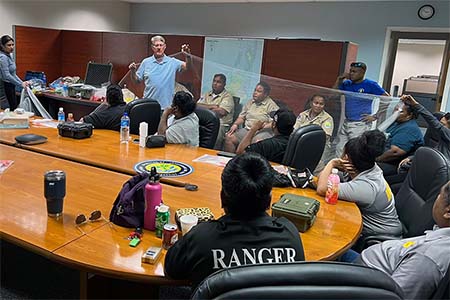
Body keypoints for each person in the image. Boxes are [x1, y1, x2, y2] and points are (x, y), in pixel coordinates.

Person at [164, 152, 305, 287]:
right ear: (269, 199)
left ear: (223, 197)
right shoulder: (289, 235)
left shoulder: (202, 238)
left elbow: (171, 271)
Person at [360, 181, 450, 300]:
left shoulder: (428, 258)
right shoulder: (441, 236)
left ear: (448, 212)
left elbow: (394, 297)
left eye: (439, 194)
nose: (436, 198)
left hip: (359, 280)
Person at [317, 130, 402, 244]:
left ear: (346, 159)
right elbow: (324, 179)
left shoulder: (366, 187)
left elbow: (321, 188)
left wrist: (331, 163)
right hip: (370, 227)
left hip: (379, 239)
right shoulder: (369, 167)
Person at [333, 62, 389, 157]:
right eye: (350, 71)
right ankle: (339, 170)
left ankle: (353, 170)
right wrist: (339, 80)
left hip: (360, 124)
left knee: (356, 150)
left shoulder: (370, 84)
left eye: (354, 71)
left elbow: (387, 98)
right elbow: (333, 95)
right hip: (347, 122)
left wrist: (375, 116)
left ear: (362, 73)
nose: (351, 73)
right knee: (339, 148)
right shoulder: (347, 84)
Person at [128, 35, 191, 110]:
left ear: (164, 47)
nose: (159, 47)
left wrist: (188, 56)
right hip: (148, 105)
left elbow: (187, 67)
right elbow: (136, 80)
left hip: (166, 108)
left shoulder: (172, 62)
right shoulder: (146, 62)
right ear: (152, 47)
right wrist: (132, 71)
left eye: (161, 45)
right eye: (156, 45)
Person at [224, 82, 279, 153]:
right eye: (255, 90)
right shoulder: (250, 102)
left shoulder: (271, 106)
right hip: (247, 130)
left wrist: (262, 126)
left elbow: (274, 123)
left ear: (265, 94)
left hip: (262, 132)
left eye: (259, 91)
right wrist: (235, 124)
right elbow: (242, 117)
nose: (255, 93)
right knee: (229, 137)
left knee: (256, 144)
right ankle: (230, 161)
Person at [377, 102, 424, 177]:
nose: (395, 113)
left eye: (400, 111)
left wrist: (376, 159)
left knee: (362, 167)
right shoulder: (397, 122)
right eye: (395, 110)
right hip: (384, 155)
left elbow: (395, 152)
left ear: (409, 115)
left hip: (395, 165)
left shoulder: (409, 129)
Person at [400, 94, 450, 162]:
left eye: (442, 125)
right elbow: (431, 151)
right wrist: (412, 157)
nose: (439, 126)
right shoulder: (442, 140)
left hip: (440, 168)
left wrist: (415, 104)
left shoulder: (447, 134)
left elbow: (432, 120)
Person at [295, 94, 334, 171]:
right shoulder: (303, 115)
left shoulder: (327, 119)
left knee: (316, 169)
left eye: (321, 104)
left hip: (319, 149)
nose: (318, 106)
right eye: (316, 103)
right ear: (311, 103)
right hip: (302, 145)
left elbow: (325, 137)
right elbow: (295, 130)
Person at [197, 74, 234, 149]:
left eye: (218, 82)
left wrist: (204, 107)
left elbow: (221, 112)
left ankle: (213, 151)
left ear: (224, 84)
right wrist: (212, 106)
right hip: (205, 122)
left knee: (217, 129)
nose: (215, 83)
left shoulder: (227, 96)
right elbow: (196, 106)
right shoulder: (207, 94)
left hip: (220, 123)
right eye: (214, 81)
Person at [0, 35, 29, 110]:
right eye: (9, 45)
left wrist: (22, 83)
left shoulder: (9, 56)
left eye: (13, 44)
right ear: (2, 46)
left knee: (14, 107)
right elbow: (6, 75)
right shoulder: (3, 58)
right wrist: (20, 84)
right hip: (5, 86)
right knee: (9, 109)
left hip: (11, 85)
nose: (12, 47)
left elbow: (13, 74)